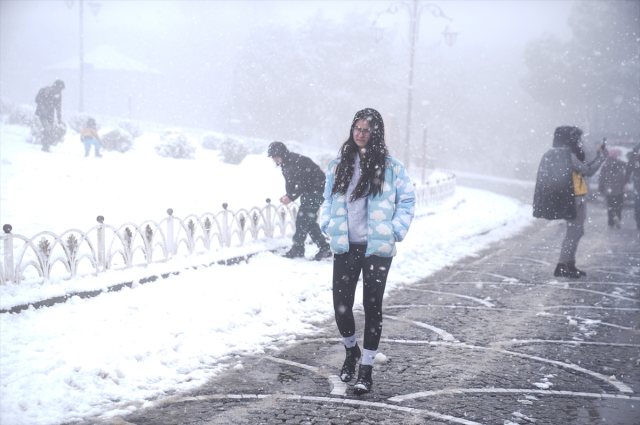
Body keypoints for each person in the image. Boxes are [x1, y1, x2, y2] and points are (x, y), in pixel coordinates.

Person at [320, 108, 415, 395]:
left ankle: (366, 370)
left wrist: (395, 230)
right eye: (357, 128)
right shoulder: (339, 165)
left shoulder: (392, 167)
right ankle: (352, 352)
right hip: (346, 247)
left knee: (372, 308)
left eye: (366, 130)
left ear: (376, 134)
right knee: (342, 307)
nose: (360, 134)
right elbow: (327, 200)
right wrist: (327, 224)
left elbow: (407, 201)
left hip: (377, 250)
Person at [533, 126, 607, 279]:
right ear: (570, 139)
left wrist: (597, 156)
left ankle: (569, 264)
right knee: (573, 233)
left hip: (573, 197)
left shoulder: (554, 153)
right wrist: (601, 158)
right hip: (575, 198)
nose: (579, 142)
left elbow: (582, 168)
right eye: (577, 139)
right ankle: (562, 266)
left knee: (576, 232)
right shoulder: (566, 154)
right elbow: (587, 171)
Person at [267, 141, 331, 260]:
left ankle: (298, 248)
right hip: (310, 191)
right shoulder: (286, 164)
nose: (274, 160)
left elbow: (304, 182)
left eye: (275, 157)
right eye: (273, 158)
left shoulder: (296, 162)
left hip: (317, 190)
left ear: (281, 154)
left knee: (302, 219)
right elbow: (290, 182)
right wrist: (288, 195)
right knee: (309, 220)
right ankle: (324, 248)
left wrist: (291, 197)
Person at [598, 149, 627, 228]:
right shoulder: (620, 163)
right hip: (619, 189)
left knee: (610, 207)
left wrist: (601, 188)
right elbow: (628, 169)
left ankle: (611, 223)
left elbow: (601, 178)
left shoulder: (605, 165)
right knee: (619, 206)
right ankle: (618, 218)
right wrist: (625, 181)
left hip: (609, 190)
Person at [35, 79, 65, 152]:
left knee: (48, 129)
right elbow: (37, 100)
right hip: (43, 114)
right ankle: (45, 146)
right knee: (47, 129)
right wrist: (44, 105)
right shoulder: (45, 91)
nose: (60, 91)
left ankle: (46, 146)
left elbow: (58, 107)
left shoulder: (58, 95)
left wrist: (59, 118)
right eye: (60, 89)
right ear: (57, 87)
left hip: (48, 114)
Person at [626, 143, 640, 230]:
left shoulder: (635, 150)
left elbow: (630, 165)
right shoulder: (635, 151)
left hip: (637, 179)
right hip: (637, 179)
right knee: (637, 201)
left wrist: (627, 178)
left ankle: (638, 222)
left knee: (637, 201)